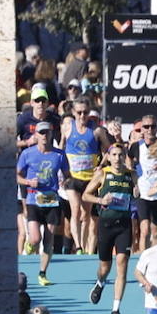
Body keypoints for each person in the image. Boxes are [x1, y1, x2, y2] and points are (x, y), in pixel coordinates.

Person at [81, 140, 133, 314]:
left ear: (125, 157)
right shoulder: (103, 174)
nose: (118, 158)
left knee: (122, 264)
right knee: (105, 267)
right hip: (106, 225)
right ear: (109, 157)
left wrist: (141, 191)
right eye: (114, 155)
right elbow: (85, 195)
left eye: (121, 155)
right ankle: (100, 282)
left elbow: (140, 192)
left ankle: (115, 310)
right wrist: (101, 201)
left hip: (124, 226)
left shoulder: (130, 175)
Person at [16, 120, 68, 282]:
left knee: (49, 239)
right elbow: (17, 175)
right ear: (36, 135)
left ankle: (42, 273)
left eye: (47, 132)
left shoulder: (59, 155)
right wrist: (28, 182)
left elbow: (67, 175)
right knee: (35, 238)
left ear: (52, 133)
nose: (45, 135)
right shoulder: (27, 154)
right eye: (41, 132)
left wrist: (64, 182)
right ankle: (29, 245)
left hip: (52, 200)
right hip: (33, 199)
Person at [58, 95, 107, 254]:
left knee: (86, 216)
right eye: (79, 113)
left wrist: (101, 165)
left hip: (89, 180)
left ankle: (85, 248)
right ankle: (78, 246)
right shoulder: (67, 128)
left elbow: (110, 149)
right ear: (73, 112)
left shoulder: (97, 130)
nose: (82, 116)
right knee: (76, 210)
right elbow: (61, 149)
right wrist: (61, 172)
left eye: (85, 112)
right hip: (72, 178)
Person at [128, 116, 157, 251]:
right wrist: (134, 182)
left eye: (152, 126)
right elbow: (129, 161)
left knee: (155, 230)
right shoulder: (136, 146)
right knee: (145, 229)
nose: (149, 129)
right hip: (143, 193)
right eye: (146, 127)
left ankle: (155, 261)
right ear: (142, 129)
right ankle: (143, 259)